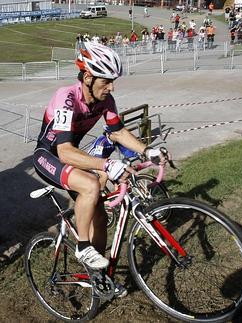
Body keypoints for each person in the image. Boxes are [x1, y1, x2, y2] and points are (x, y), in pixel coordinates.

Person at [32, 42, 165, 291]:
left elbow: (118, 132)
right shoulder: (67, 98)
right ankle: (83, 247)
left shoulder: (106, 100)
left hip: (71, 157)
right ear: (88, 77)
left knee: (101, 217)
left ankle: (99, 278)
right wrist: (107, 163)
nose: (111, 87)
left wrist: (147, 150)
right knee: (92, 184)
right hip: (48, 157)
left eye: (113, 81)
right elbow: (63, 151)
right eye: (107, 81)